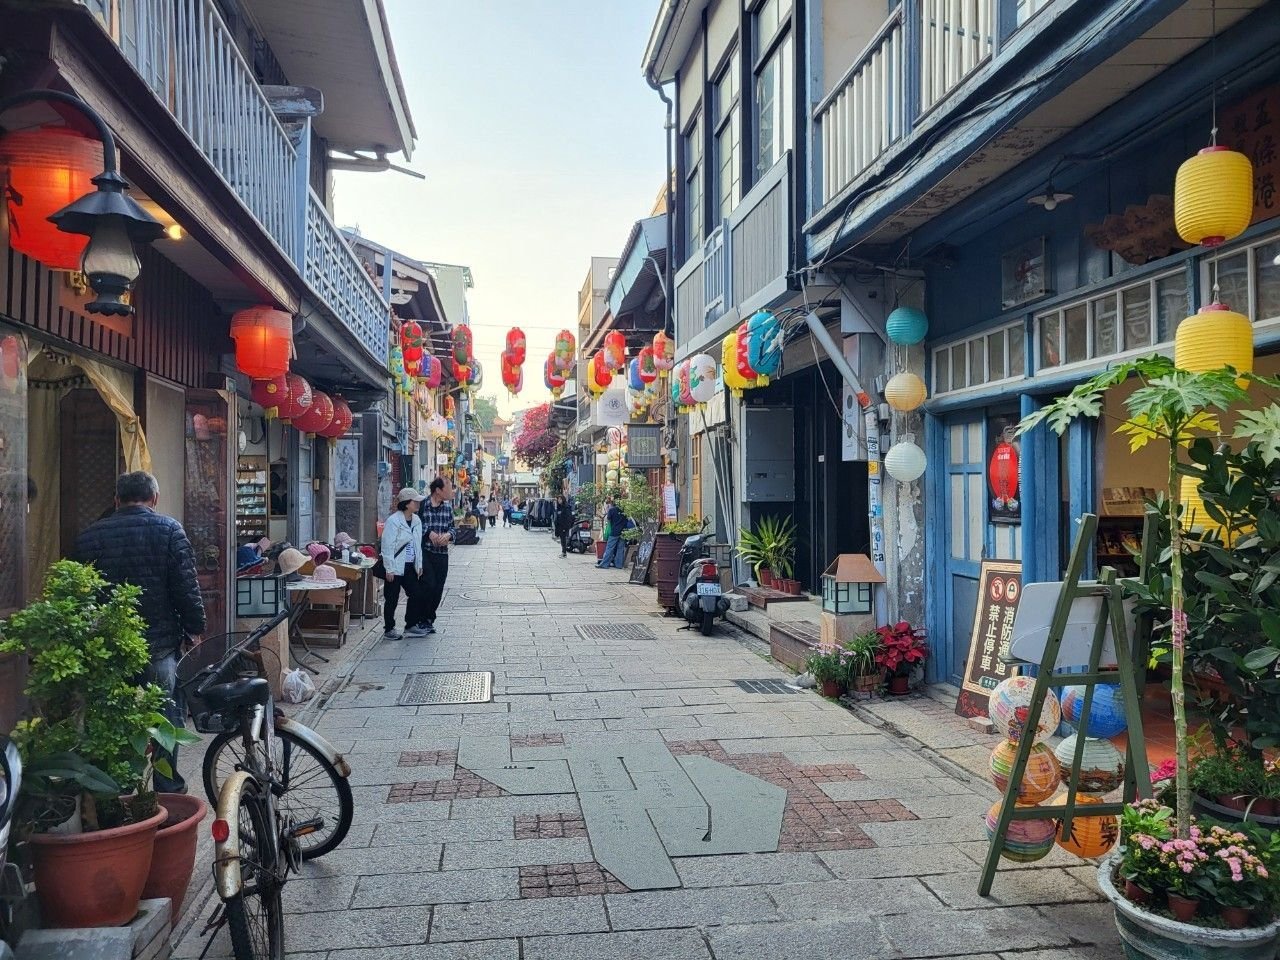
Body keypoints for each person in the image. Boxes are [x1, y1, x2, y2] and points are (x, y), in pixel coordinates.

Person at [73, 471, 205, 793]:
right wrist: (194, 628)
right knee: (165, 713)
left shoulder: (89, 537)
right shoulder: (169, 530)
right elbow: (185, 586)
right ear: (154, 498)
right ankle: (166, 787)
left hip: (110, 646)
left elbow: (79, 597)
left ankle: (118, 788)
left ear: (117, 500)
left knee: (114, 715)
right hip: (159, 645)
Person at [380, 487, 427, 640]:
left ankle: (411, 625)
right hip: (395, 565)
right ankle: (389, 629)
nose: (418, 503)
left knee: (416, 593)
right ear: (407, 503)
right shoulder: (393, 521)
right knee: (391, 598)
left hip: (409, 565)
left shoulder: (417, 520)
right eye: (415, 501)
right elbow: (387, 545)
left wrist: (419, 564)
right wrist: (389, 568)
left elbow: (417, 545)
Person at [419, 477, 456, 634]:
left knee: (438, 588)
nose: (452, 491)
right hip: (425, 552)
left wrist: (448, 535)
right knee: (429, 584)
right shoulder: (422, 505)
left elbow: (453, 528)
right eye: (449, 488)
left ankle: (429, 619)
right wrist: (429, 533)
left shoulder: (447, 508)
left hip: (442, 553)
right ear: (438, 490)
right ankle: (421, 618)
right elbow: (415, 524)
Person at [597, 498, 629, 569]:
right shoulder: (624, 511)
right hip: (624, 531)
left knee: (609, 548)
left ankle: (604, 564)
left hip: (614, 531)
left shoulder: (611, 510)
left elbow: (608, 520)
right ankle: (619, 565)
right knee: (620, 549)